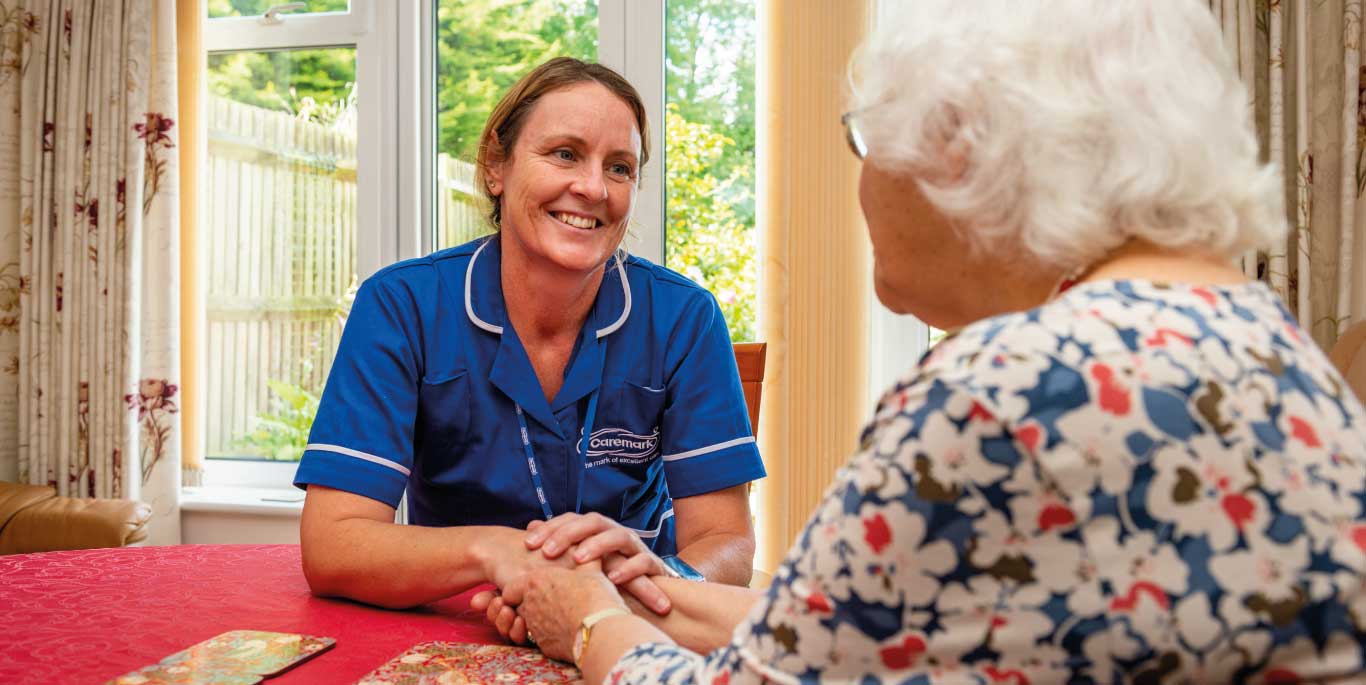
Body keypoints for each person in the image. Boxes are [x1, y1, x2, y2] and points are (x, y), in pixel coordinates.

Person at [498, 2, 1366, 682]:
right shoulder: (1274, 346)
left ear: (961, 148)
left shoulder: (1007, 388)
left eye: (865, 139)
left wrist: (586, 618)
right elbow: (858, 636)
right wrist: (659, 592)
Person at [292, 58, 765, 632]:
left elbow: (728, 542)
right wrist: (498, 553)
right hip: (455, 631)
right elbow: (332, 544)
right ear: (497, 165)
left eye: (620, 168)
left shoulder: (685, 317)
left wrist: (663, 582)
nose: (593, 188)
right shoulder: (400, 305)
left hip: (630, 621)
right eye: (565, 154)